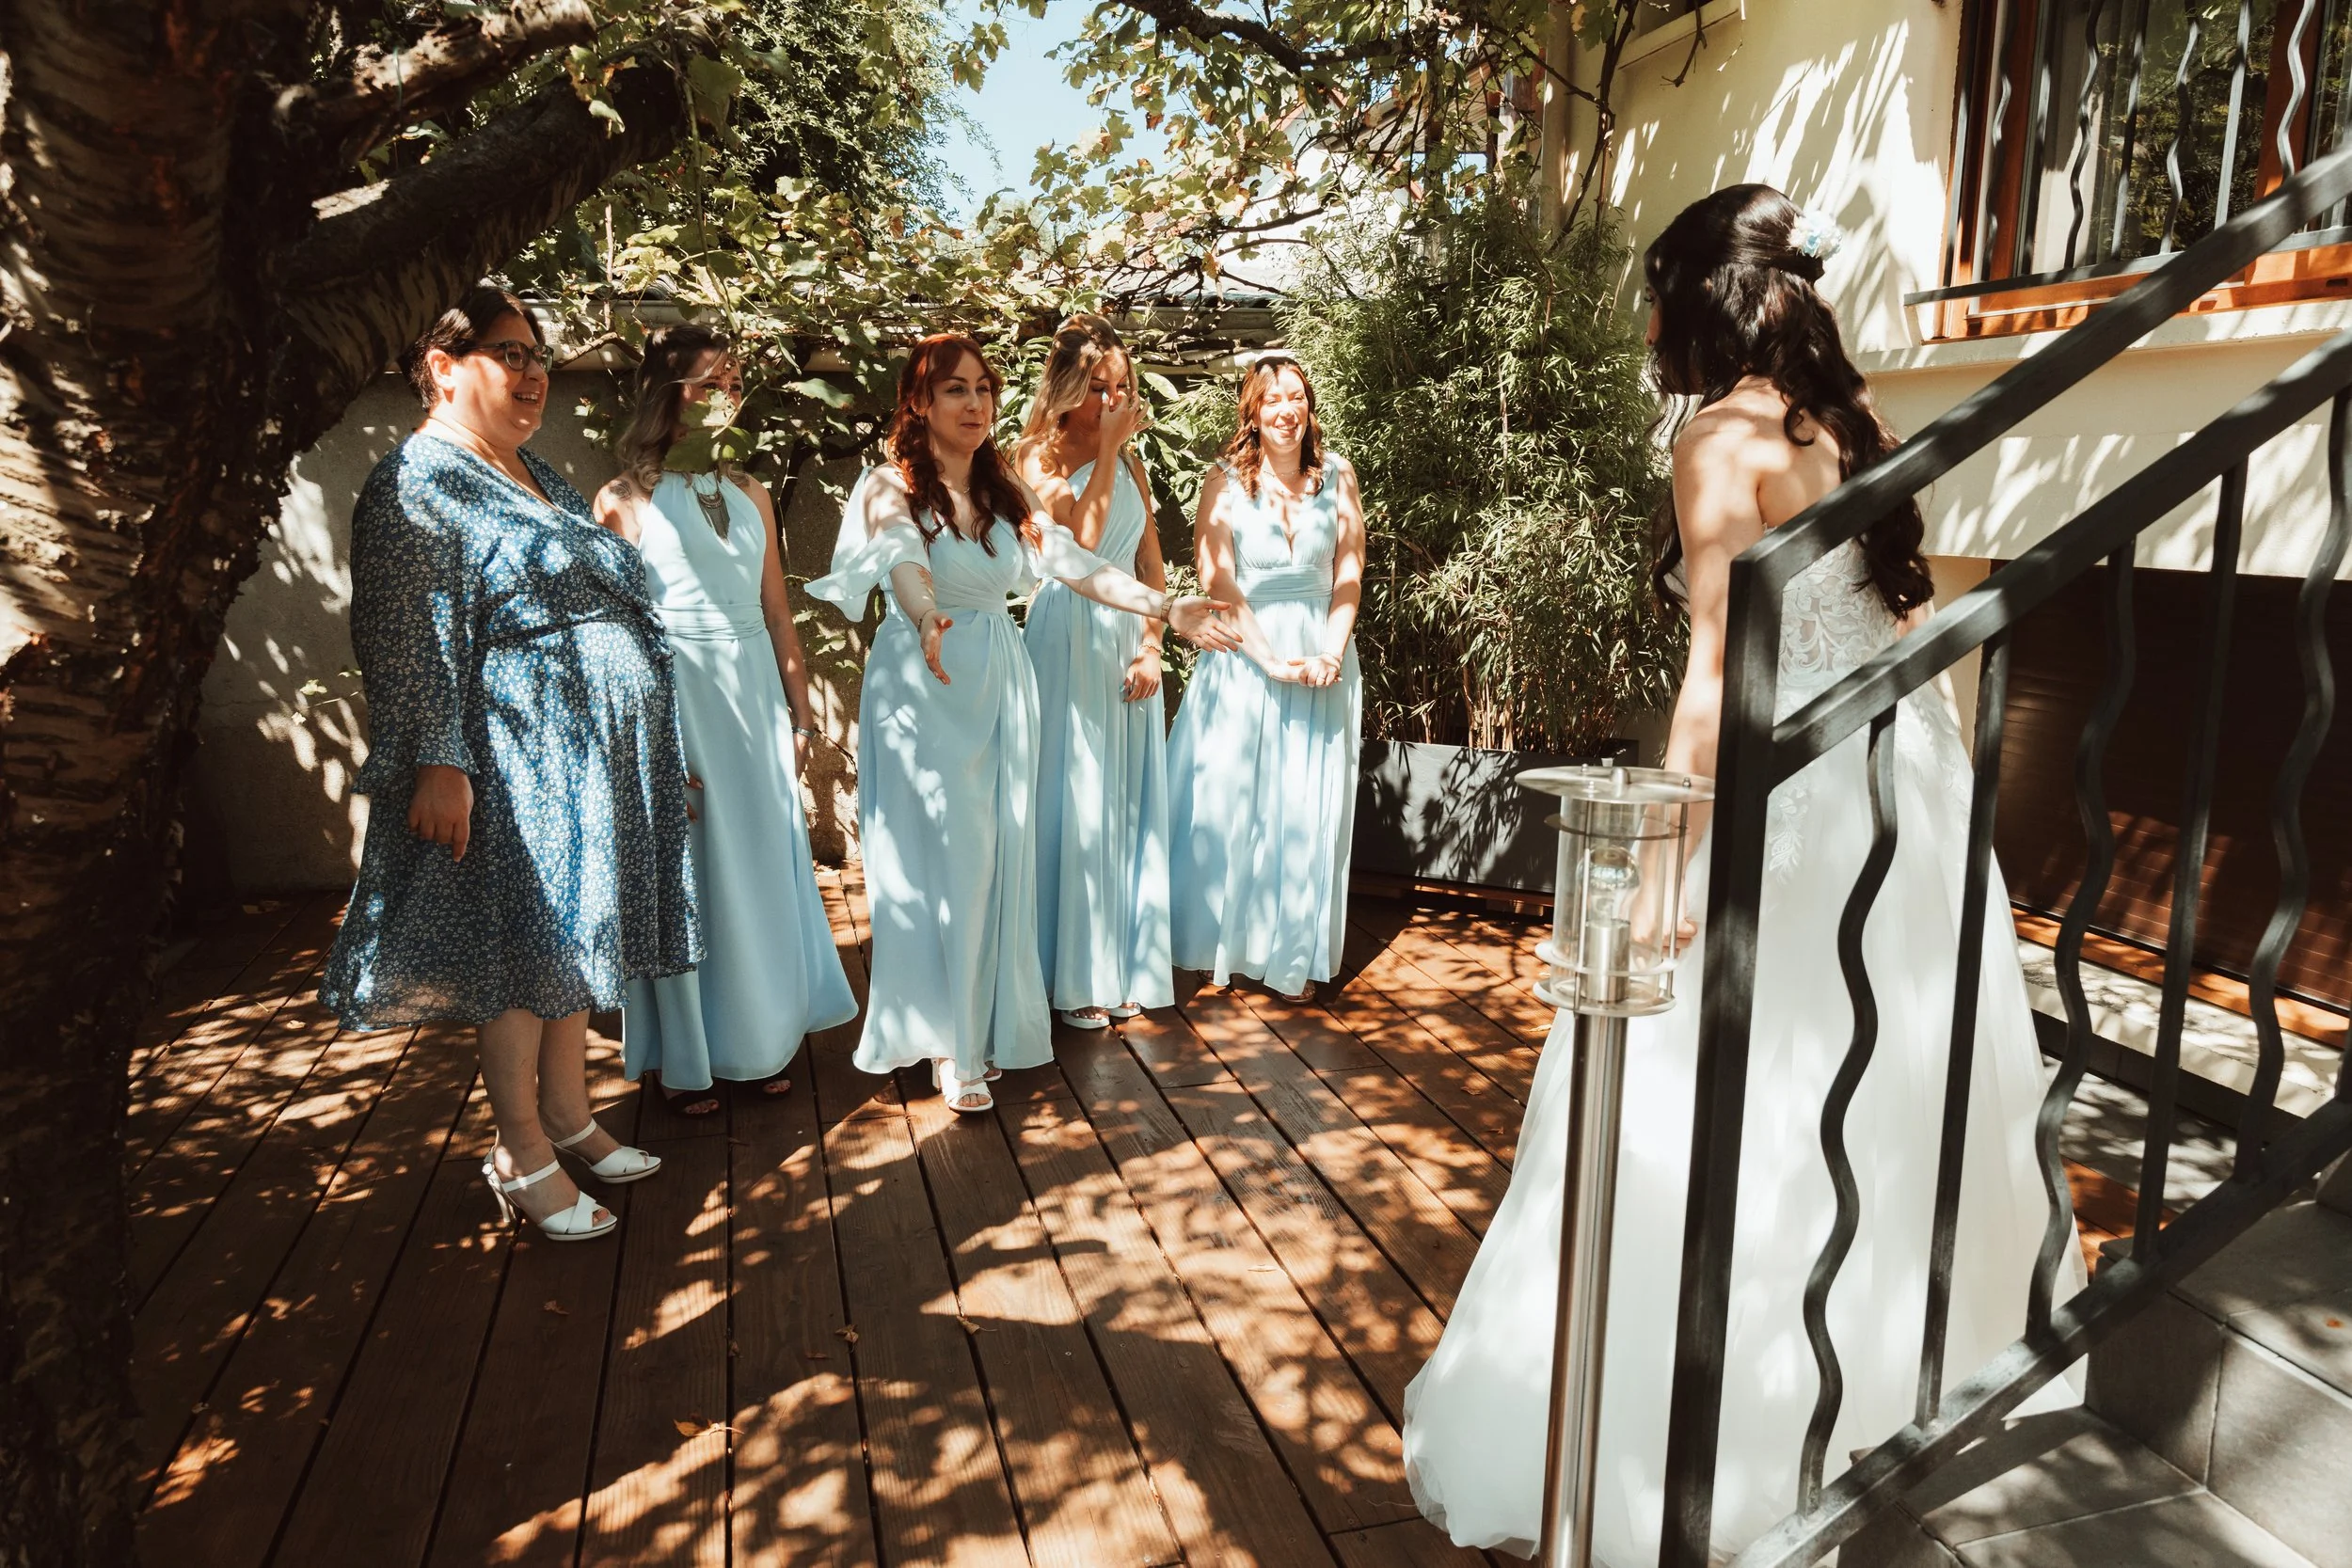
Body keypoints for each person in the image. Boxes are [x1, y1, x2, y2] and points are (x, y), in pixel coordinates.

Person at [1400, 185, 2081, 1562]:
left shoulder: (1718, 437)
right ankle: (1890, 1390)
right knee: (1890, 1085)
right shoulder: (1847, 417)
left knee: (1717, 1093)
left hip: (1789, 795)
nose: (1648, 325)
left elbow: (1716, 667)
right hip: (1906, 786)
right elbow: (1907, 615)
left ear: (1700, 301)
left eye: (1656, 295)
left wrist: (1666, 845)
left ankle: (1701, 1451)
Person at [320, 286, 695, 1243]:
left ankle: (567, 1116)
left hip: (575, 760)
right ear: (442, 367)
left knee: (568, 939)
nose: (533, 374)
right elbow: (404, 632)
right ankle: (521, 1150)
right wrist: (438, 760)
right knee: (522, 953)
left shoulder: (528, 470)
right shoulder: (419, 479)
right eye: (508, 353)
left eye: (538, 356)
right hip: (509, 758)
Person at [807, 333, 1237, 1115]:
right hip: (924, 678)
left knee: (992, 858)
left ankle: (975, 1027)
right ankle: (948, 1044)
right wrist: (926, 614)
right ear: (919, 402)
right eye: (956, 390)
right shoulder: (888, 484)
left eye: (984, 389)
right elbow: (904, 562)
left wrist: (1165, 607)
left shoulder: (1003, 483)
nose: (975, 404)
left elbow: (1071, 559)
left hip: (1001, 676)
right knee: (933, 864)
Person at [594, 324, 858, 1117]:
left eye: (733, 384)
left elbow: (777, 613)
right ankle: (691, 1055)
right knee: (698, 875)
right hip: (682, 701)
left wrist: (801, 719)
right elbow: (617, 638)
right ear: (669, 393)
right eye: (711, 384)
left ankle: (763, 1038)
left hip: (754, 701)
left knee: (762, 871)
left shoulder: (751, 492)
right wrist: (650, 749)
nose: (727, 398)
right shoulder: (622, 500)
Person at [1165, 354, 1366, 1005]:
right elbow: (1216, 577)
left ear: (1310, 406)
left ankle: (1294, 952)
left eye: (1296, 397)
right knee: (1233, 799)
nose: (1286, 410)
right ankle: (1215, 941)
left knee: (1307, 803)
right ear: (1251, 412)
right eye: (1272, 399)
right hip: (1244, 655)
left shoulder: (1339, 476)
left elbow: (1349, 572)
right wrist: (1270, 658)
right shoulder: (1222, 481)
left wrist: (1330, 652)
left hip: (1321, 656)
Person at [1012, 314, 1174, 1029]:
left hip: (1128, 634)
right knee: (1074, 795)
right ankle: (1071, 975)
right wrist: (1107, 449)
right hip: (1069, 631)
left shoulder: (1133, 461)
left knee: (1124, 798)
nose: (1115, 400)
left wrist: (1152, 646)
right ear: (1069, 386)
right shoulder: (1035, 457)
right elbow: (1079, 543)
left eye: (1123, 387)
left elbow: (1149, 561)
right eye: (1101, 388)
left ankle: (1120, 963)